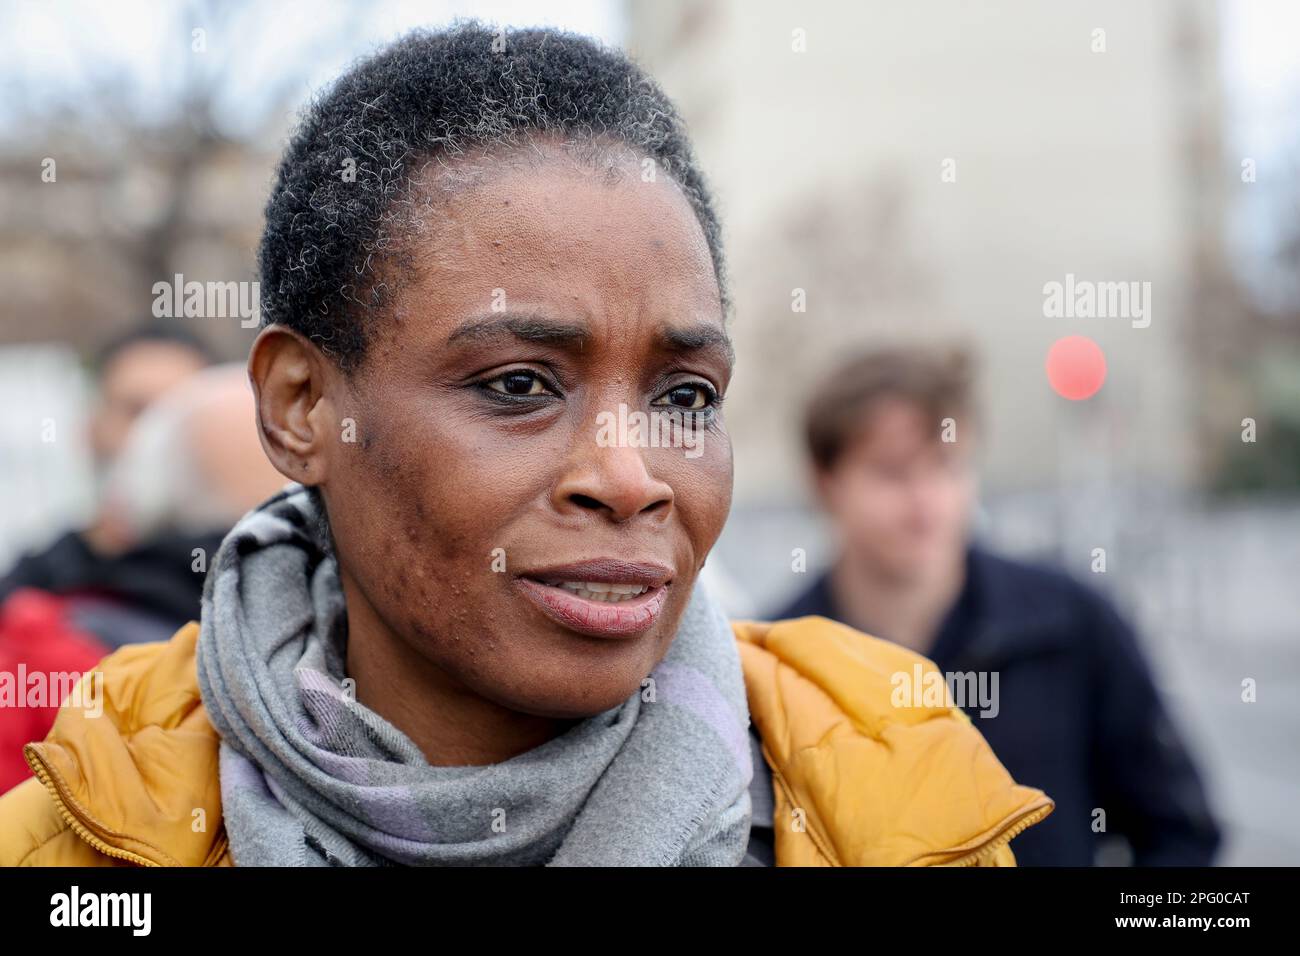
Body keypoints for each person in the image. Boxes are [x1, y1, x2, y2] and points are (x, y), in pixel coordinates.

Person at [0, 24, 1050, 867]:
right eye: (517, 385)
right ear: (301, 404)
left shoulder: (898, 802)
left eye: (685, 393)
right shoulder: (82, 837)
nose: (630, 476)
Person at [774, 345, 1221, 865]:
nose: (926, 501)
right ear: (824, 483)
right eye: (892, 472)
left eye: (945, 466)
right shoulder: (779, 660)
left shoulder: (1073, 623)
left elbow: (1180, 833)